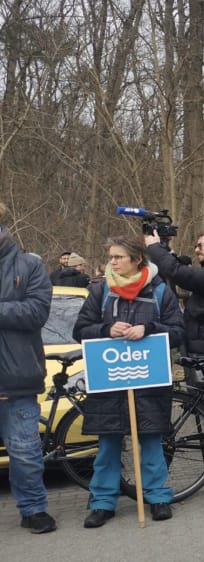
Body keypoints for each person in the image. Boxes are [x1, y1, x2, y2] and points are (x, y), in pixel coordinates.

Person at [72, 236, 185, 527]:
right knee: (108, 444)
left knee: (150, 441)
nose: (112, 262)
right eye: (111, 257)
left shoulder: (160, 292)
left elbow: (178, 331)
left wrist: (148, 328)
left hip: (148, 381)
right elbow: (80, 330)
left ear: (137, 259)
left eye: (118, 257)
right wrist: (107, 329)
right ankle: (102, 502)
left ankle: (158, 497)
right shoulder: (99, 291)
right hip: (109, 381)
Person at [146, 229, 204, 432]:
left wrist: (154, 249)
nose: (196, 250)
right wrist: (166, 251)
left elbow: (182, 275)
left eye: (200, 245)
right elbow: (182, 271)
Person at [0, 205, 57, 534]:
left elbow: (36, 312)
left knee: (24, 451)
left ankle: (33, 509)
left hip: (17, 378)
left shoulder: (30, 265)